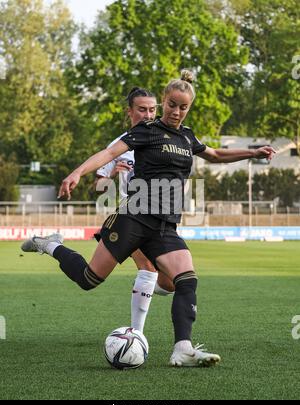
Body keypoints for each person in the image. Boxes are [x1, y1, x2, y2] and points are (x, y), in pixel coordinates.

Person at [21, 70, 276, 367]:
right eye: (171, 104)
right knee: (88, 279)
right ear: (164, 101)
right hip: (134, 218)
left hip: (165, 226)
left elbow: (216, 155)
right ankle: (50, 245)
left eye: (183, 107)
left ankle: (183, 348)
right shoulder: (146, 131)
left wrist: (253, 153)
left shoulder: (187, 137)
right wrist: (78, 172)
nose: (176, 111)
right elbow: (108, 153)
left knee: (186, 281)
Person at [94, 87, 174, 335]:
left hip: (160, 214)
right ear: (129, 112)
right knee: (148, 267)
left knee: (171, 282)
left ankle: (143, 286)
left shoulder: (164, 139)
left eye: (152, 109)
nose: (148, 115)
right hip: (132, 211)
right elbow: (99, 186)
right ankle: (136, 335)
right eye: (142, 110)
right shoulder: (120, 145)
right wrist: (113, 175)